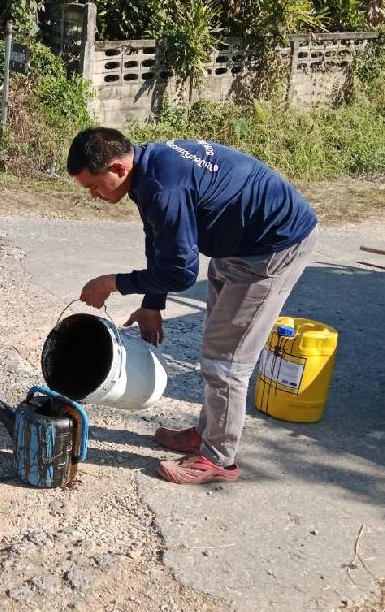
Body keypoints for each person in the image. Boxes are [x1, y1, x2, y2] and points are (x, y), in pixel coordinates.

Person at [67, 128, 318, 486]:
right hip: (241, 241)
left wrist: (112, 283)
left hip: (273, 246)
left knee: (226, 361)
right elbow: (159, 238)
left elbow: (181, 272)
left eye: (93, 186)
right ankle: (207, 432)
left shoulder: (161, 186)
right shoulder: (148, 168)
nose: (93, 195)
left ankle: (218, 459)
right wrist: (152, 303)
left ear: (118, 168)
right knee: (217, 347)